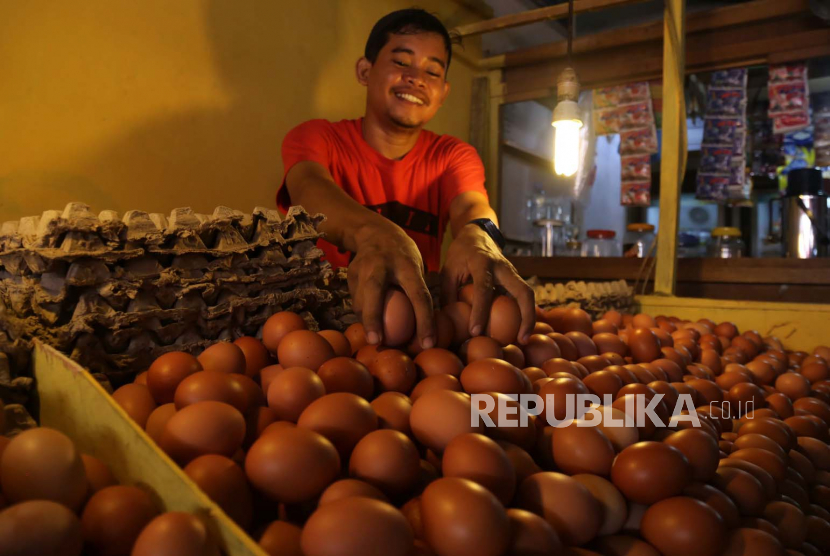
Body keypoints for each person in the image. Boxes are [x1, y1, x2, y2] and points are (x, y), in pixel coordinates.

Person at [278, 8, 534, 350]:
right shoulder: (317, 138)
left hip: (420, 329)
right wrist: (374, 233)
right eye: (401, 63)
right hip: (324, 328)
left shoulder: (451, 156)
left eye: (432, 71)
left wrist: (480, 234)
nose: (417, 78)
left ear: (443, 93)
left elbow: (472, 205)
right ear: (365, 71)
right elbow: (309, 189)